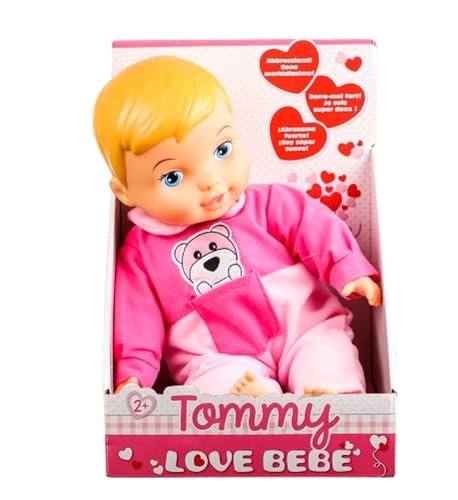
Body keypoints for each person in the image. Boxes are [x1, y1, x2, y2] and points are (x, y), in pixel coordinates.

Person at [93, 55, 382, 397]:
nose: (211, 181)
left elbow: (315, 227)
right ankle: (252, 405)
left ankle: (329, 397)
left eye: (222, 150)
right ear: (125, 192)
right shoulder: (140, 254)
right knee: (217, 383)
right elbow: (136, 319)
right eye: (172, 177)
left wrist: (347, 267)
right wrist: (133, 375)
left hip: (302, 324)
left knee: (326, 350)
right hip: (217, 357)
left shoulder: (268, 203)